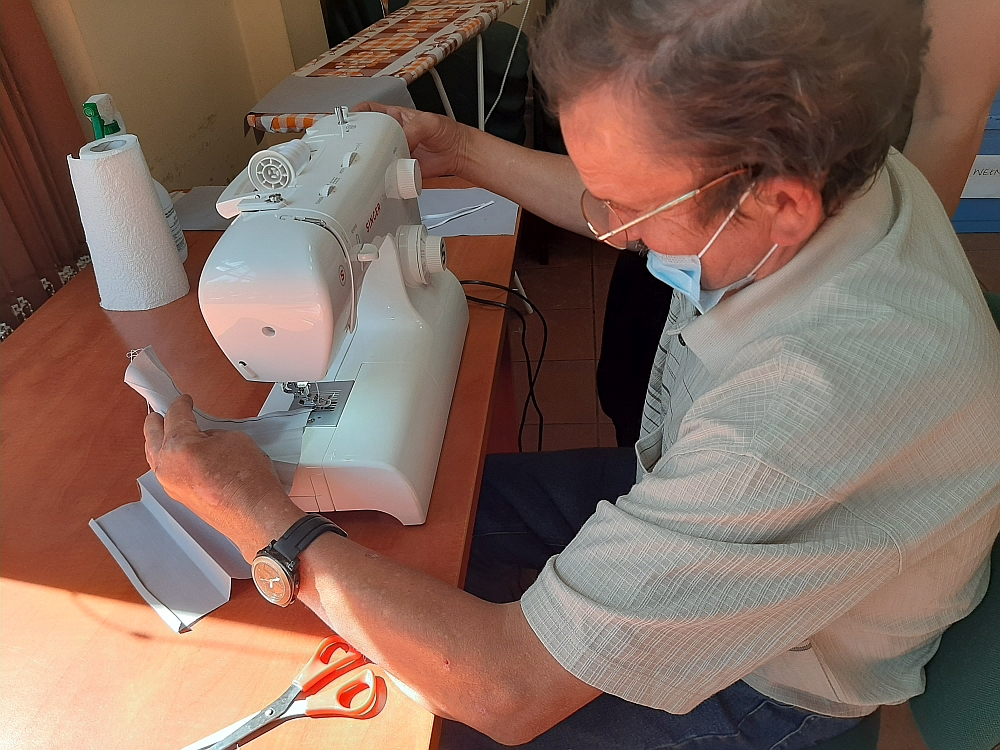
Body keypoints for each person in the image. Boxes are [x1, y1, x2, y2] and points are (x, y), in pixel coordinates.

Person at [144, 1, 1000, 748]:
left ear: (779, 204)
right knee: (417, 532)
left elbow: (508, 691)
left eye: (629, 208)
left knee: (414, 724)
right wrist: (461, 149)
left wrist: (266, 524)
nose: (611, 230)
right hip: (696, 487)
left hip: (770, 680)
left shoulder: (796, 411)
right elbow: (612, 196)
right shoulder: (838, 150)